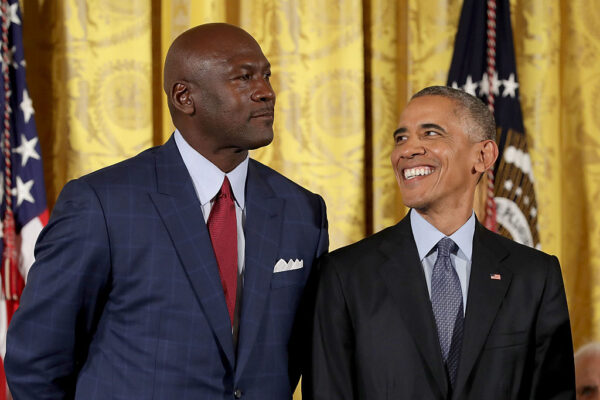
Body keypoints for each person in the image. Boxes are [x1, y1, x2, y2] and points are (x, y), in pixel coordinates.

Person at [5, 23, 328, 399]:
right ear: (184, 96)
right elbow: (36, 364)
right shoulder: (101, 204)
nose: (266, 92)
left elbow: (306, 354)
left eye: (266, 76)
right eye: (244, 77)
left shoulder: (303, 210)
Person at [309, 86, 574, 399]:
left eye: (430, 133)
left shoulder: (536, 275)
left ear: (483, 156)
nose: (407, 150)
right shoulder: (345, 275)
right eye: (401, 138)